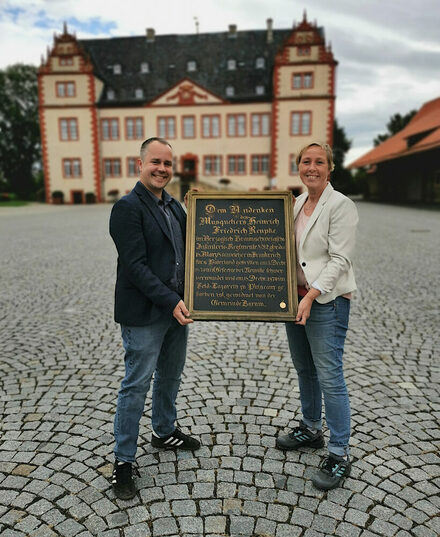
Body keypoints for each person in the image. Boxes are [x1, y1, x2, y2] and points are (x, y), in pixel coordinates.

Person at [109, 137, 200, 500]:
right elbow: (135, 268)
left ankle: (163, 431)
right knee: (136, 384)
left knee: (171, 375)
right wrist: (170, 301)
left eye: (167, 163)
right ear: (140, 164)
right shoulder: (127, 208)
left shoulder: (175, 207)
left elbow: (202, 247)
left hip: (177, 311)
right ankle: (123, 462)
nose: (162, 169)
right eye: (155, 162)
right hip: (146, 313)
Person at [276, 142, 358, 491]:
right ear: (298, 166)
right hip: (294, 301)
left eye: (319, 162)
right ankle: (311, 428)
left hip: (325, 302)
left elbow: (340, 260)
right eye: (306, 161)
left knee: (329, 374)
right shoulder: (294, 204)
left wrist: (310, 295)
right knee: (305, 368)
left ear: (330, 167)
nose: (312, 167)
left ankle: (339, 453)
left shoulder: (340, 205)